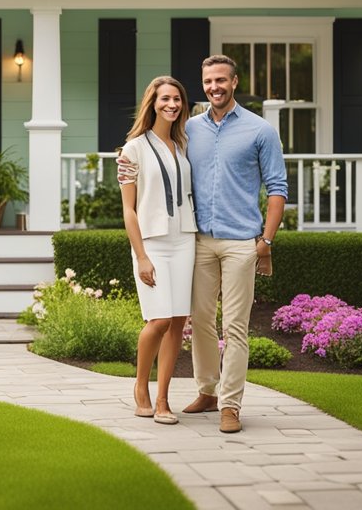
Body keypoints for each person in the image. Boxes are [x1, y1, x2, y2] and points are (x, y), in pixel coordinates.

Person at [181, 54, 287, 434]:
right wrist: (125, 163)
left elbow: (277, 189)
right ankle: (207, 391)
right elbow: (158, 155)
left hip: (242, 242)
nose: (215, 87)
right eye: (209, 81)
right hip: (200, 241)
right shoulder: (189, 128)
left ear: (235, 82)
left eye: (221, 80)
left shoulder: (261, 130)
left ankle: (231, 404)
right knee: (202, 322)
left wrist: (266, 242)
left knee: (236, 327)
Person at [117, 76, 198, 425]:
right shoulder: (132, 149)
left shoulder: (182, 146)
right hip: (152, 242)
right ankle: (140, 386)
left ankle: (164, 398)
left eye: (177, 99)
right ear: (152, 102)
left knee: (178, 320)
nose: (172, 105)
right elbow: (128, 210)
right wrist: (142, 257)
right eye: (165, 98)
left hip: (184, 239)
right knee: (159, 319)